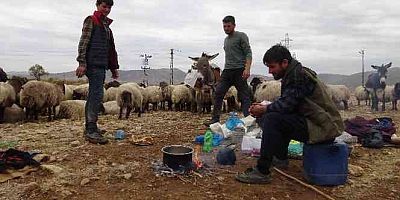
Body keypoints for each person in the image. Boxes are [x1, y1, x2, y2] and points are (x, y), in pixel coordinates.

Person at [236, 45, 344, 184]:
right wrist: (266, 108)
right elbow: (289, 105)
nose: (270, 71)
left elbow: (286, 106)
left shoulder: (298, 76)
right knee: (274, 115)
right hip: (317, 124)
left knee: (271, 118)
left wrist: (264, 109)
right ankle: (280, 158)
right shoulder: (294, 73)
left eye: (272, 67)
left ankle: (262, 171)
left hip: (322, 129)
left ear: (285, 63)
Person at [75, 0, 119, 144]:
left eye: (109, 7)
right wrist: (82, 62)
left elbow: (111, 49)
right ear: (98, 6)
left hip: (101, 64)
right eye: (104, 6)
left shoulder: (107, 27)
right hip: (93, 64)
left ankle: (91, 126)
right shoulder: (91, 20)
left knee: (96, 94)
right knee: (96, 94)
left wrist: (113, 68)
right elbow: (84, 41)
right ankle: (90, 130)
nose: (106, 9)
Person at [204, 15, 252, 126]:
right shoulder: (226, 40)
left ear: (234, 25)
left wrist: (247, 68)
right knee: (218, 93)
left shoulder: (241, 36)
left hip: (239, 70)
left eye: (228, 26)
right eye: (224, 26)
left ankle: (249, 121)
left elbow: (248, 53)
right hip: (227, 71)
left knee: (244, 96)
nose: (226, 28)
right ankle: (215, 119)